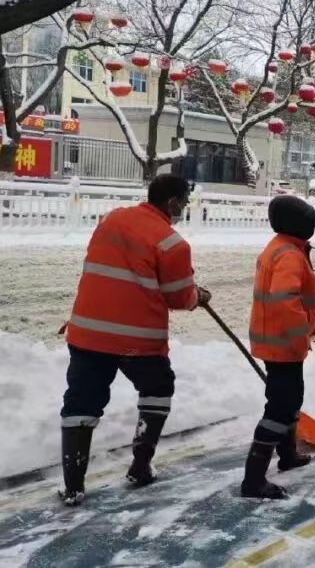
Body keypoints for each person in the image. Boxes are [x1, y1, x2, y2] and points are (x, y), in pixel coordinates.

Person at [58, 175, 211, 506]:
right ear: (172, 202)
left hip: (88, 333)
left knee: (80, 403)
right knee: (158, 388)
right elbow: (178, 296)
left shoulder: (111, 220)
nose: (184, 209)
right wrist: (197, 296)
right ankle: (140, 466)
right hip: (138, 341)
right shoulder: (173, 243)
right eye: (184, 202)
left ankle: (73, 487)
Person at [241, 195, 315, 499]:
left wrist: (312, 326)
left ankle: (288, 455)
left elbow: (294, 301)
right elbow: (285, 301)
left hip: (277, 340)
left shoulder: (281, 247)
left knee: (289, 399)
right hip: (283, 344)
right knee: (280, 407)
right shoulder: (289, 254)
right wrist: (302, 335)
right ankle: (253, 480)